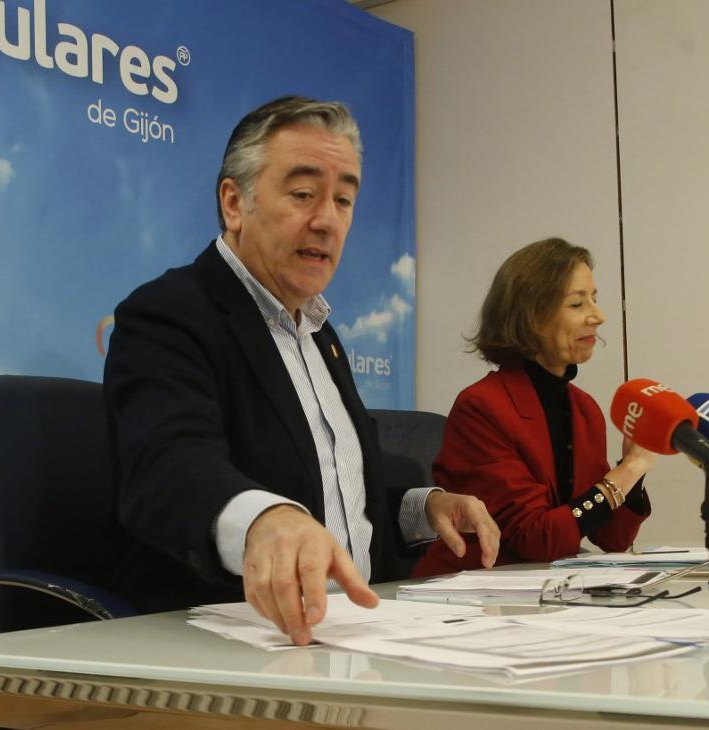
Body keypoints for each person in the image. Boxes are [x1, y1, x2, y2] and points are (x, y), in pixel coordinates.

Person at [104, 95, 500, 645]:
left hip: (361, 635)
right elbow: (169, 465)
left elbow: (330, 480)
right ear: (234, 202)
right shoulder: (169, 313)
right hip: (239, 644)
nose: (327, 220)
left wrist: (422, 505)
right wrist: (265, 521)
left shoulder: (319, 334)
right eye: (303, 194)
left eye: (343, 200)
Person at [412, 237, 656, 577]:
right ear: (531, 316)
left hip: (548, 592)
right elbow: (535, 538)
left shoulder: (584, 409)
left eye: (595, 300)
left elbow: (612, 537)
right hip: (477, 597)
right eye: (577, 304)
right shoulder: (482, 407)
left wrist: (634, 467)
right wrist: (628, 471)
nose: (598, 316)